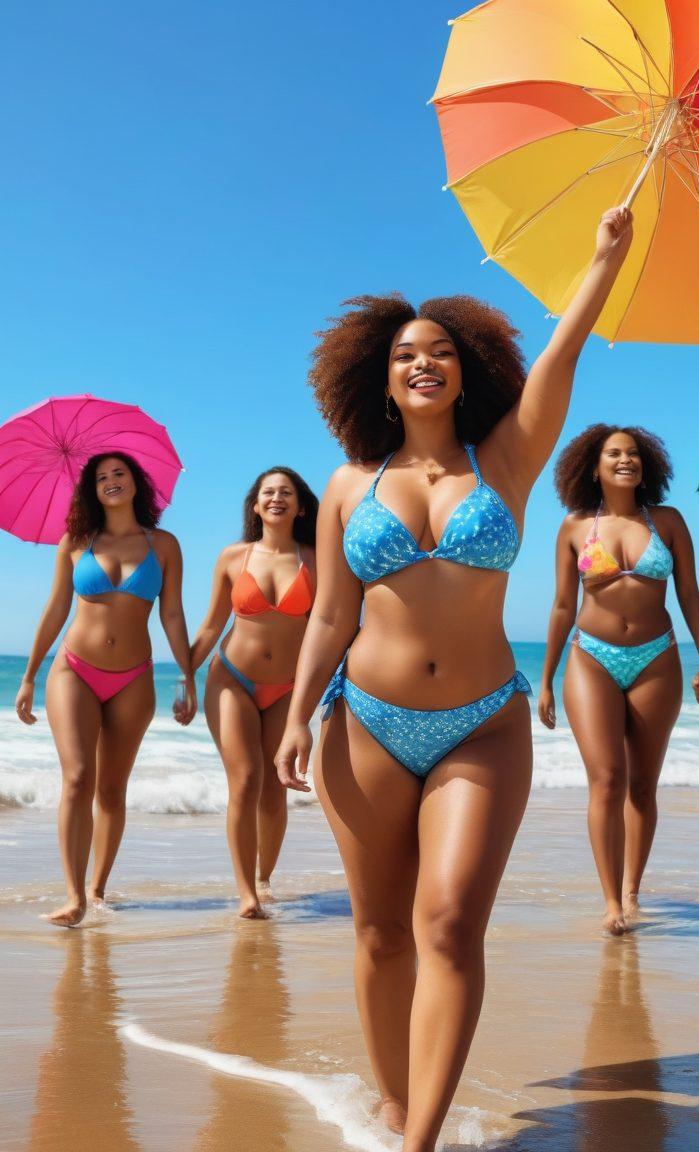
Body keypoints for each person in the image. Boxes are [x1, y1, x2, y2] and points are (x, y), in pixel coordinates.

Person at [274, 207, 633, 1151]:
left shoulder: (506, 460)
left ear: (467, 367)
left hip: (482, 723)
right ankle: (395, 1106)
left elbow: (561, 356)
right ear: (379, 379)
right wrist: (299, 716)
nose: (422, 362)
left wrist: (600, 262)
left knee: (448, 923)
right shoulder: (349, 483)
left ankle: (421, 1139)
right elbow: (329, 616)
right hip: (366, 722)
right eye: (403, 355)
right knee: (381, 934)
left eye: (439, 351)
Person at [539, 425, 699, 934]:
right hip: (590, 657)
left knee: (642, 784)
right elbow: (561, 605)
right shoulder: (574, 527)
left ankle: (634, 889)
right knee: (607, 778)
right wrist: (546, 679)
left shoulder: (668, 522)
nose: (625, 460)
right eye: (613, 454)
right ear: (592, 467)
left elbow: (689, 595)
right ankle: (611, 901)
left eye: (633, 454)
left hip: (657, 658)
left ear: (647, 465)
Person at [15, 453, 195, 926]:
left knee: (112, 791)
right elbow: (56, 608)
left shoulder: (165, 545)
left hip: (134, 676)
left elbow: (172, 614)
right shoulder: (76, 541)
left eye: (119, 474)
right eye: (101, 478)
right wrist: (30, 674)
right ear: (92, 491)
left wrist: (187, 675)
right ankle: (73, 896)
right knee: (78, 778)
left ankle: (97, 890)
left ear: (136, 483)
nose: (111, 482)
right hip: (74, 669)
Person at [189, 467, 317, 918]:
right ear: (256, 505)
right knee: (245, 779)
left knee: (274, 790)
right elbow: (210, 626)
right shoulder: (233, 557)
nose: (276, 498)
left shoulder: (316, 560)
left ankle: (264, 880)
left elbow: (332, 629)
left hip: (287, 688)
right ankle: (246, 893)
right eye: (268, 492)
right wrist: (186, 675)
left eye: (286, 492)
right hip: (232, 679)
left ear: (301, 506)